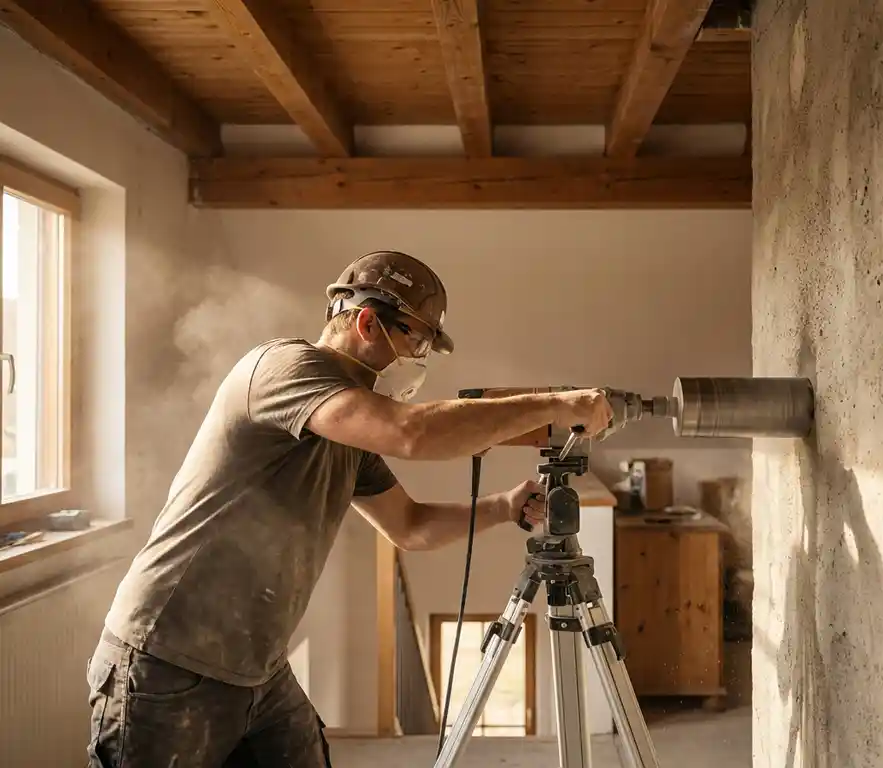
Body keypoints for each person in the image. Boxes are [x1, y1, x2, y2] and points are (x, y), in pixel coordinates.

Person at [85, 250, 613, 768]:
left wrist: (503, 508)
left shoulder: (346, 426)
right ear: (366, 321)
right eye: (418, 338)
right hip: (166, 660)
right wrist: (557, 404)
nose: (420, 357)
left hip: (257, 668)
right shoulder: (284, 368)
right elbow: (411, 432)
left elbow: (409, 526)